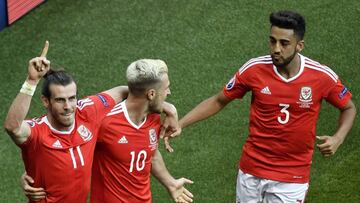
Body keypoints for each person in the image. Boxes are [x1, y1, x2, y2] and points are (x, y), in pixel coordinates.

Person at [176, 10, 356, 202]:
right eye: (272, 41)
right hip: (251, 171)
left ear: (299, 45)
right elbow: (219, 100)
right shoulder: (254, 69)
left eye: (284, 43)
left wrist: (338, 138)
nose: (276, 49)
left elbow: (349, 107)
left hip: (292, 177)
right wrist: (181, 123)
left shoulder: (321, 76)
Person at [5, 42, 182, 202]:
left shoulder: (88, 112)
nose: (68, 106)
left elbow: (124, 90)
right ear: (46, 101)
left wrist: (167, 107)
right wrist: (31, 81)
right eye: (60, 100)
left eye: (72, 98)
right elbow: (13, 127)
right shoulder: (38, 132)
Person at [90, 59, 193, 203]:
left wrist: (171, 183)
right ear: (151, 94)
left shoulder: (153, 118)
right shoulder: (106, 123)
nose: (168, 93)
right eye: (166, 88)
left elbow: (151, 154)